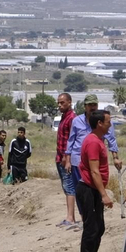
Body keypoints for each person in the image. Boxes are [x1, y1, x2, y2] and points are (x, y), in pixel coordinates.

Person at [76, 109, 114, 252]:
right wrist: (104, 194)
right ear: (99, 123)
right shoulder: (92, 142)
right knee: (91, 228)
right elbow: (94, 171)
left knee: (99, 227)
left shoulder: (98, 140)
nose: (110, 125)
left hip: (93, 190)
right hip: (88, 190)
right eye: (108, 122)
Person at [66, 94, 121, 198]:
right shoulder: (76, 121)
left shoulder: (104, 122)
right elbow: (71, 140)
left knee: (94, 190)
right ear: (85, 106)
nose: (92, 107)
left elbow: (111, 139)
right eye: (90, 105)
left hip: (95, 161)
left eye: (94, 104)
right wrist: (68, 160)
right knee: (80, 192)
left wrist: (115, 158)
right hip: (77, 160)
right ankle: (83, 213)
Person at [54, 93, 79, 228]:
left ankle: (71, 218)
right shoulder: (64, 117)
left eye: (62, 102)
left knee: (69, 186)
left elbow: (72, 139)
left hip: (65, 158)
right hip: (60, 157)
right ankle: (69, 217)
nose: (60, 105)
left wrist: (66, 157)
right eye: (58, 102)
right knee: (66, 186)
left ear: (69, 102)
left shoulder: (72, 118)